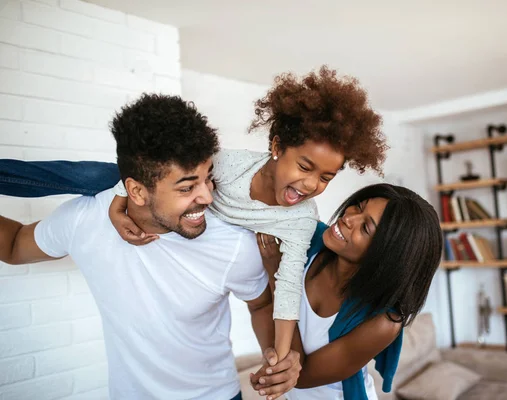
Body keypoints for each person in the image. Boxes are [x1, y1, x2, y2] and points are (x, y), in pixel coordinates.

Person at [0, 66, 388, 364]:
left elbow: (281, 292)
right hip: (138, 195)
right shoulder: (228, 166)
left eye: (325, 178)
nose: (311, 185)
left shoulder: (296, 220)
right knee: (94, 173)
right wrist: (118, 202)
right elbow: (169, 175)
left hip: (209, 242)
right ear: (276, 146)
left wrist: (282, 355)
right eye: (305, 167)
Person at [0, 94, 302, 400]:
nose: (208, 198)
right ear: (136, 191)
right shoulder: (85, 218)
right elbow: (13, 245)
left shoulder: (233, 243)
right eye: (187, 187)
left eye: (207, 179)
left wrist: (275, 356)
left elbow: (260, 304)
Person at [252, 184, 443, 400]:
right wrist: (272, 359)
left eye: (365, 228)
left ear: (387, 257)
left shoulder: (383, 322)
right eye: (359, 207)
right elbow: (261, 308)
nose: (349, 218)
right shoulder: (305, 239)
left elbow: (302, 377)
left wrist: (278, 274)